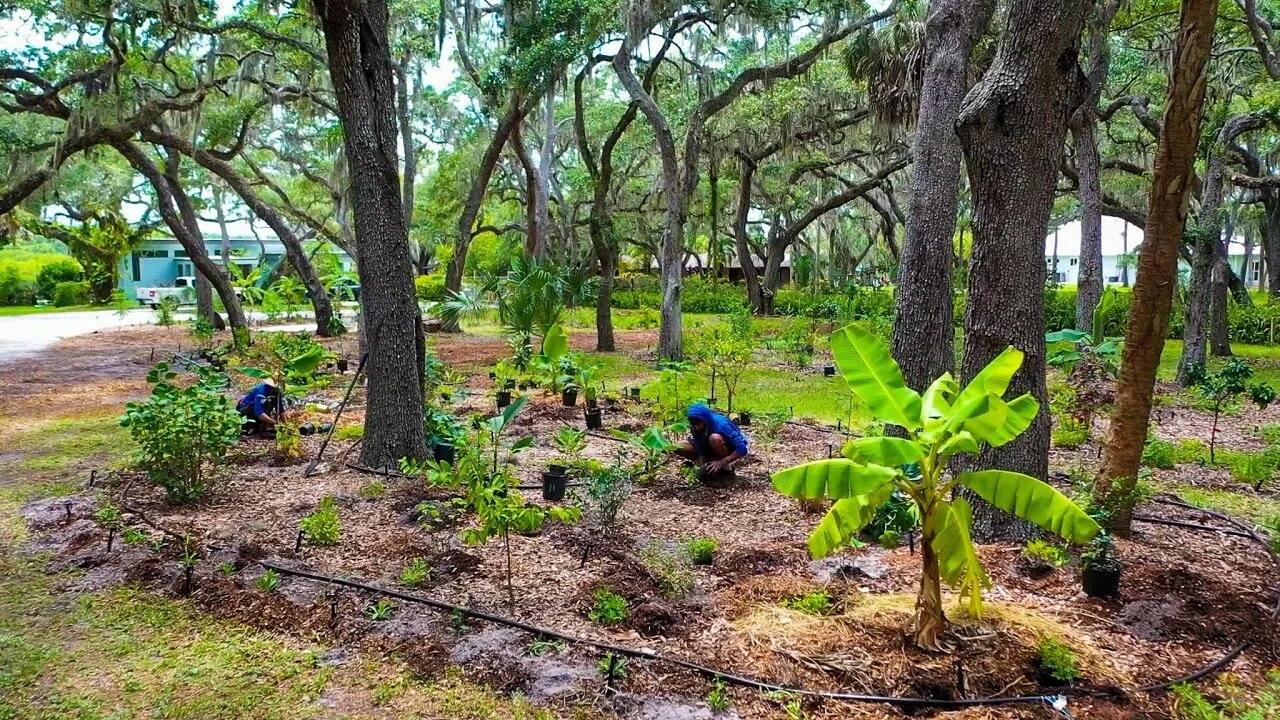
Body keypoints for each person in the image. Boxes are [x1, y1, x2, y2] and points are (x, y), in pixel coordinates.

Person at [675, 402, 748, 484]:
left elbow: (742, 449)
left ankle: (726, 469)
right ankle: (710, 465)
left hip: (726, 446)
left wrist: (722, 462)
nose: (697, 427)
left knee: (714, 438)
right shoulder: (695, 428)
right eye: (694, 425)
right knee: (678, 446)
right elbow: (700, 446)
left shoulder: (722, 425)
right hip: (708, 445)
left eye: (699, 424)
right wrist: (703, 466)